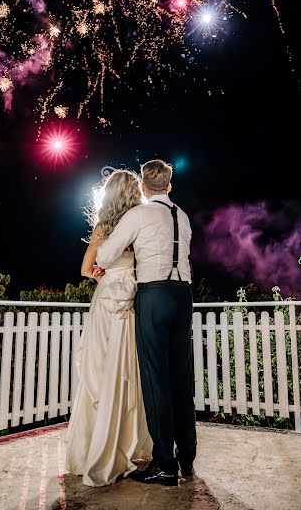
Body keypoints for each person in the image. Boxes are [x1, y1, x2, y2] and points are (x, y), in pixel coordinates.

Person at [96, 159, 196, 487]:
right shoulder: (182, 215)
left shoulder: (137, 215)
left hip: (153, 295)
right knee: (182, 378)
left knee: (156, 381)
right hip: (183, 297)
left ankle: (164, 464)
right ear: (169, 185)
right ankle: (187, 459)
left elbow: (105, 256)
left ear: (143, 186)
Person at [66, 170, 151, 487]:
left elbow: (86, 269)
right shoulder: (141, 225)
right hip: (128, 301)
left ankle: (96, 445)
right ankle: (124, 443)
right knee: (125, 372)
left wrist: (106, 278)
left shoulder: (103, 227)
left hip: (107, 302)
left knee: (102, 371)